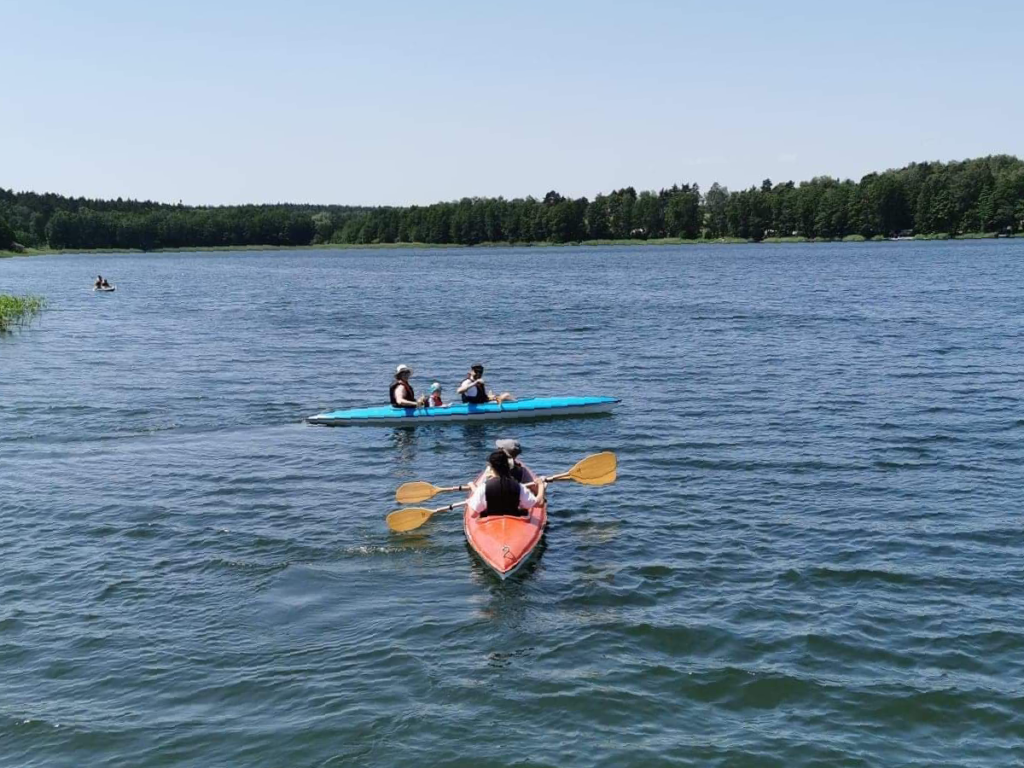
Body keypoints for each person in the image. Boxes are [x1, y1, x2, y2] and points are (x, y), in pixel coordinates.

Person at [467, 450, 547, 519]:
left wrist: (470, 502)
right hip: (514, 520)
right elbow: (540, 503)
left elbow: (473, 515)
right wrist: (541, 485)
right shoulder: (518, 486)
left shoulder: (483, 488)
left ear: (491, 468)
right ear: (508, 467)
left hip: (490, 522)